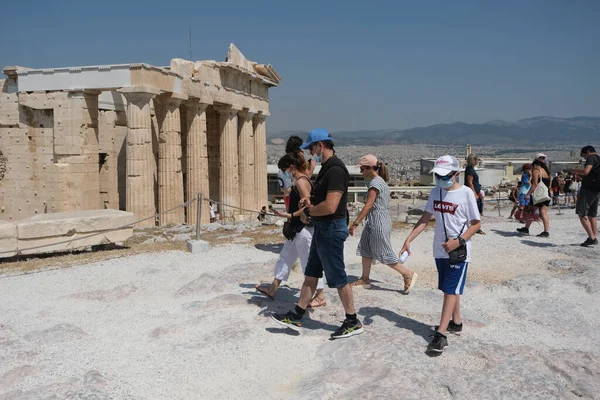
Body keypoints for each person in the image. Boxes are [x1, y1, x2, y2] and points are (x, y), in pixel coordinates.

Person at [271, 129, 363, 339]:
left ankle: (352, 321)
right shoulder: (326, 168)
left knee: (338, 276)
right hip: (322, 228)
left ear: (321, 145)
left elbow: (331, 206)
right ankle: (297, 314)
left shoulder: (336, 170)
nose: (311, 153)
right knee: (311, 273)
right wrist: (308, 203)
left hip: (331, 228)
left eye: (312, 148)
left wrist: (308, 211)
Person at [400, 155, 480, 353]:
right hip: (440, 250)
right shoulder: (435, 192)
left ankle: (441, 334)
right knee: (448, 288)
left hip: (459, 251)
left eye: (445, 176)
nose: (441, 179)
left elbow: (476, 224)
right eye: (438, 176)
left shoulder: (466, 193)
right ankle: (456, 322)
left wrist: (458, 241)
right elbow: (425, 218)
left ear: (457, 174)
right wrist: (409, 239)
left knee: (450, 290)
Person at [255, 153, 326, 303]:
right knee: (285, 257)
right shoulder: (304, 177)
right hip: (297, 229)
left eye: (285, 169)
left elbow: (308, 206)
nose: (285, 173)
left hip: (304, 229)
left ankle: (320, 295)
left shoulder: (301, 182)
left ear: (291, 167)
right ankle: (273, 288)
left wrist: (287, 215)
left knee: (309, 263)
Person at [349, 154, 417, 292]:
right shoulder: (379, 181)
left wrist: (355, 223)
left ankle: (407, 273)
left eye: (362, 169)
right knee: (365, 248)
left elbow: (368, 205)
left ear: (369, 168)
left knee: (382, 251)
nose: (361, 172)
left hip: (378, 220)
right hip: (374, 220)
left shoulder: (375, 183)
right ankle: (365, 279)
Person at [518, 153, 552, 237]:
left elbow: (535, 184)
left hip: (538, 195)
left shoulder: (536, 171)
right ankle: (546, 231)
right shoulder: (546, 171)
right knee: (543, 212)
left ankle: (526, 229)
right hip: (546, 194)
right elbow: (549, 182)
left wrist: (528, 194)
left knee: (530, 210)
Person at [572, 145, 600, 247]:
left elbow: (586, 171)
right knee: (592, 215)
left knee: (582, 213)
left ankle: (591, 238)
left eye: (584, 155)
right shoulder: (598, 158)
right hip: (597, 189)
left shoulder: (591, 158)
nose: (584, 157)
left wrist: (574, 170)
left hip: (588, 189)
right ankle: (594, 237)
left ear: (587, 152)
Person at [465, 154, 485, 234]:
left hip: (476, 191)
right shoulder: (470, 170)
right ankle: (475, 228)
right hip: (472, 193)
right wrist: (474, 193)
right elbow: (470, 182)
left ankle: (476, 227)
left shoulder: (471, 169)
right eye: (477, 160)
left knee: (477, 210)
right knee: (474, 210)